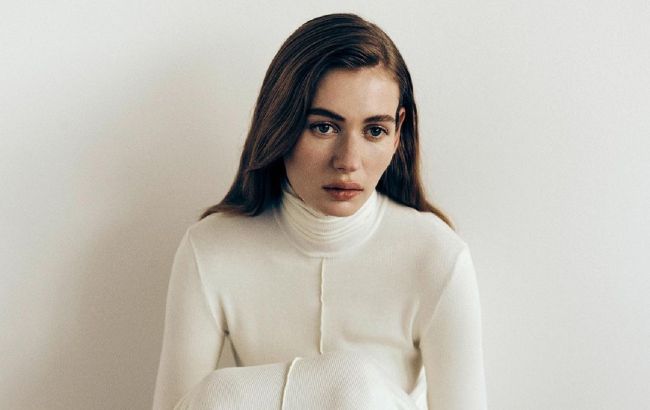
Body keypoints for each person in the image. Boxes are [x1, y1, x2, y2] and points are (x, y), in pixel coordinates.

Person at [153, 12, 487, 410]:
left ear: (398, 130)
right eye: (324, 127)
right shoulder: (210, 249)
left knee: (352, 386)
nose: (348, 161)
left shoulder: (436, 255)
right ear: (281, 124)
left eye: (374, 130)